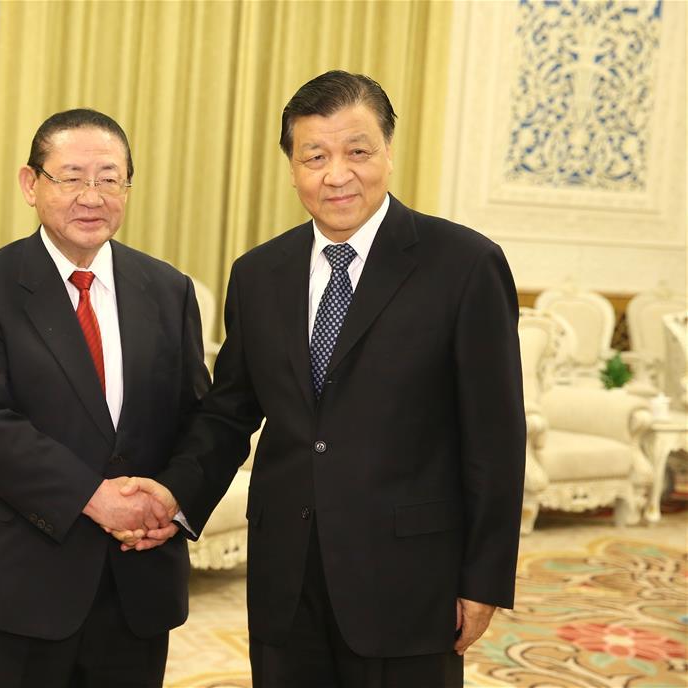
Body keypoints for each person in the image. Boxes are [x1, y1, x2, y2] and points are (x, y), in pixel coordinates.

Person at [134, 70, 527, 687]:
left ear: (389, 154)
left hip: (408, 579)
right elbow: (231, 409)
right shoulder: (259, 273)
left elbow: (496, 436)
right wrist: (175, 491)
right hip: (286, 580)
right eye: (314, 156)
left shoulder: (464, 265)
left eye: (357, 152)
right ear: (292, 167)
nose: (336, 174)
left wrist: (483, 578)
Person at [0, 108, 209, 687]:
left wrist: (175, 497)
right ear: (30, 184)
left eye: (110, 178)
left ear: (128, 189)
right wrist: (94, 498)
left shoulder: (167, 289)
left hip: (137, 584)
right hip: (18, 582)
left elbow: (199, 417)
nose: (92, 195)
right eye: (71, 176)